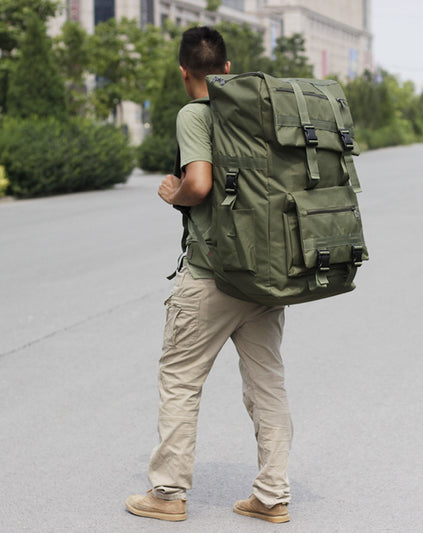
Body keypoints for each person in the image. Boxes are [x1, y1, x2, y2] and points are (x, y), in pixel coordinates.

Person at [126, 26, 293, 524]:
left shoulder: (194, 114)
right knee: (267, 385)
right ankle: (271, 495)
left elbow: (198, 184)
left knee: (180, 379)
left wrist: (173, 192)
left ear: (184, 73)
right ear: (225, 68)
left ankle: (168, 492)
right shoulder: (256, 111)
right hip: (265, 271)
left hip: (212, 275)